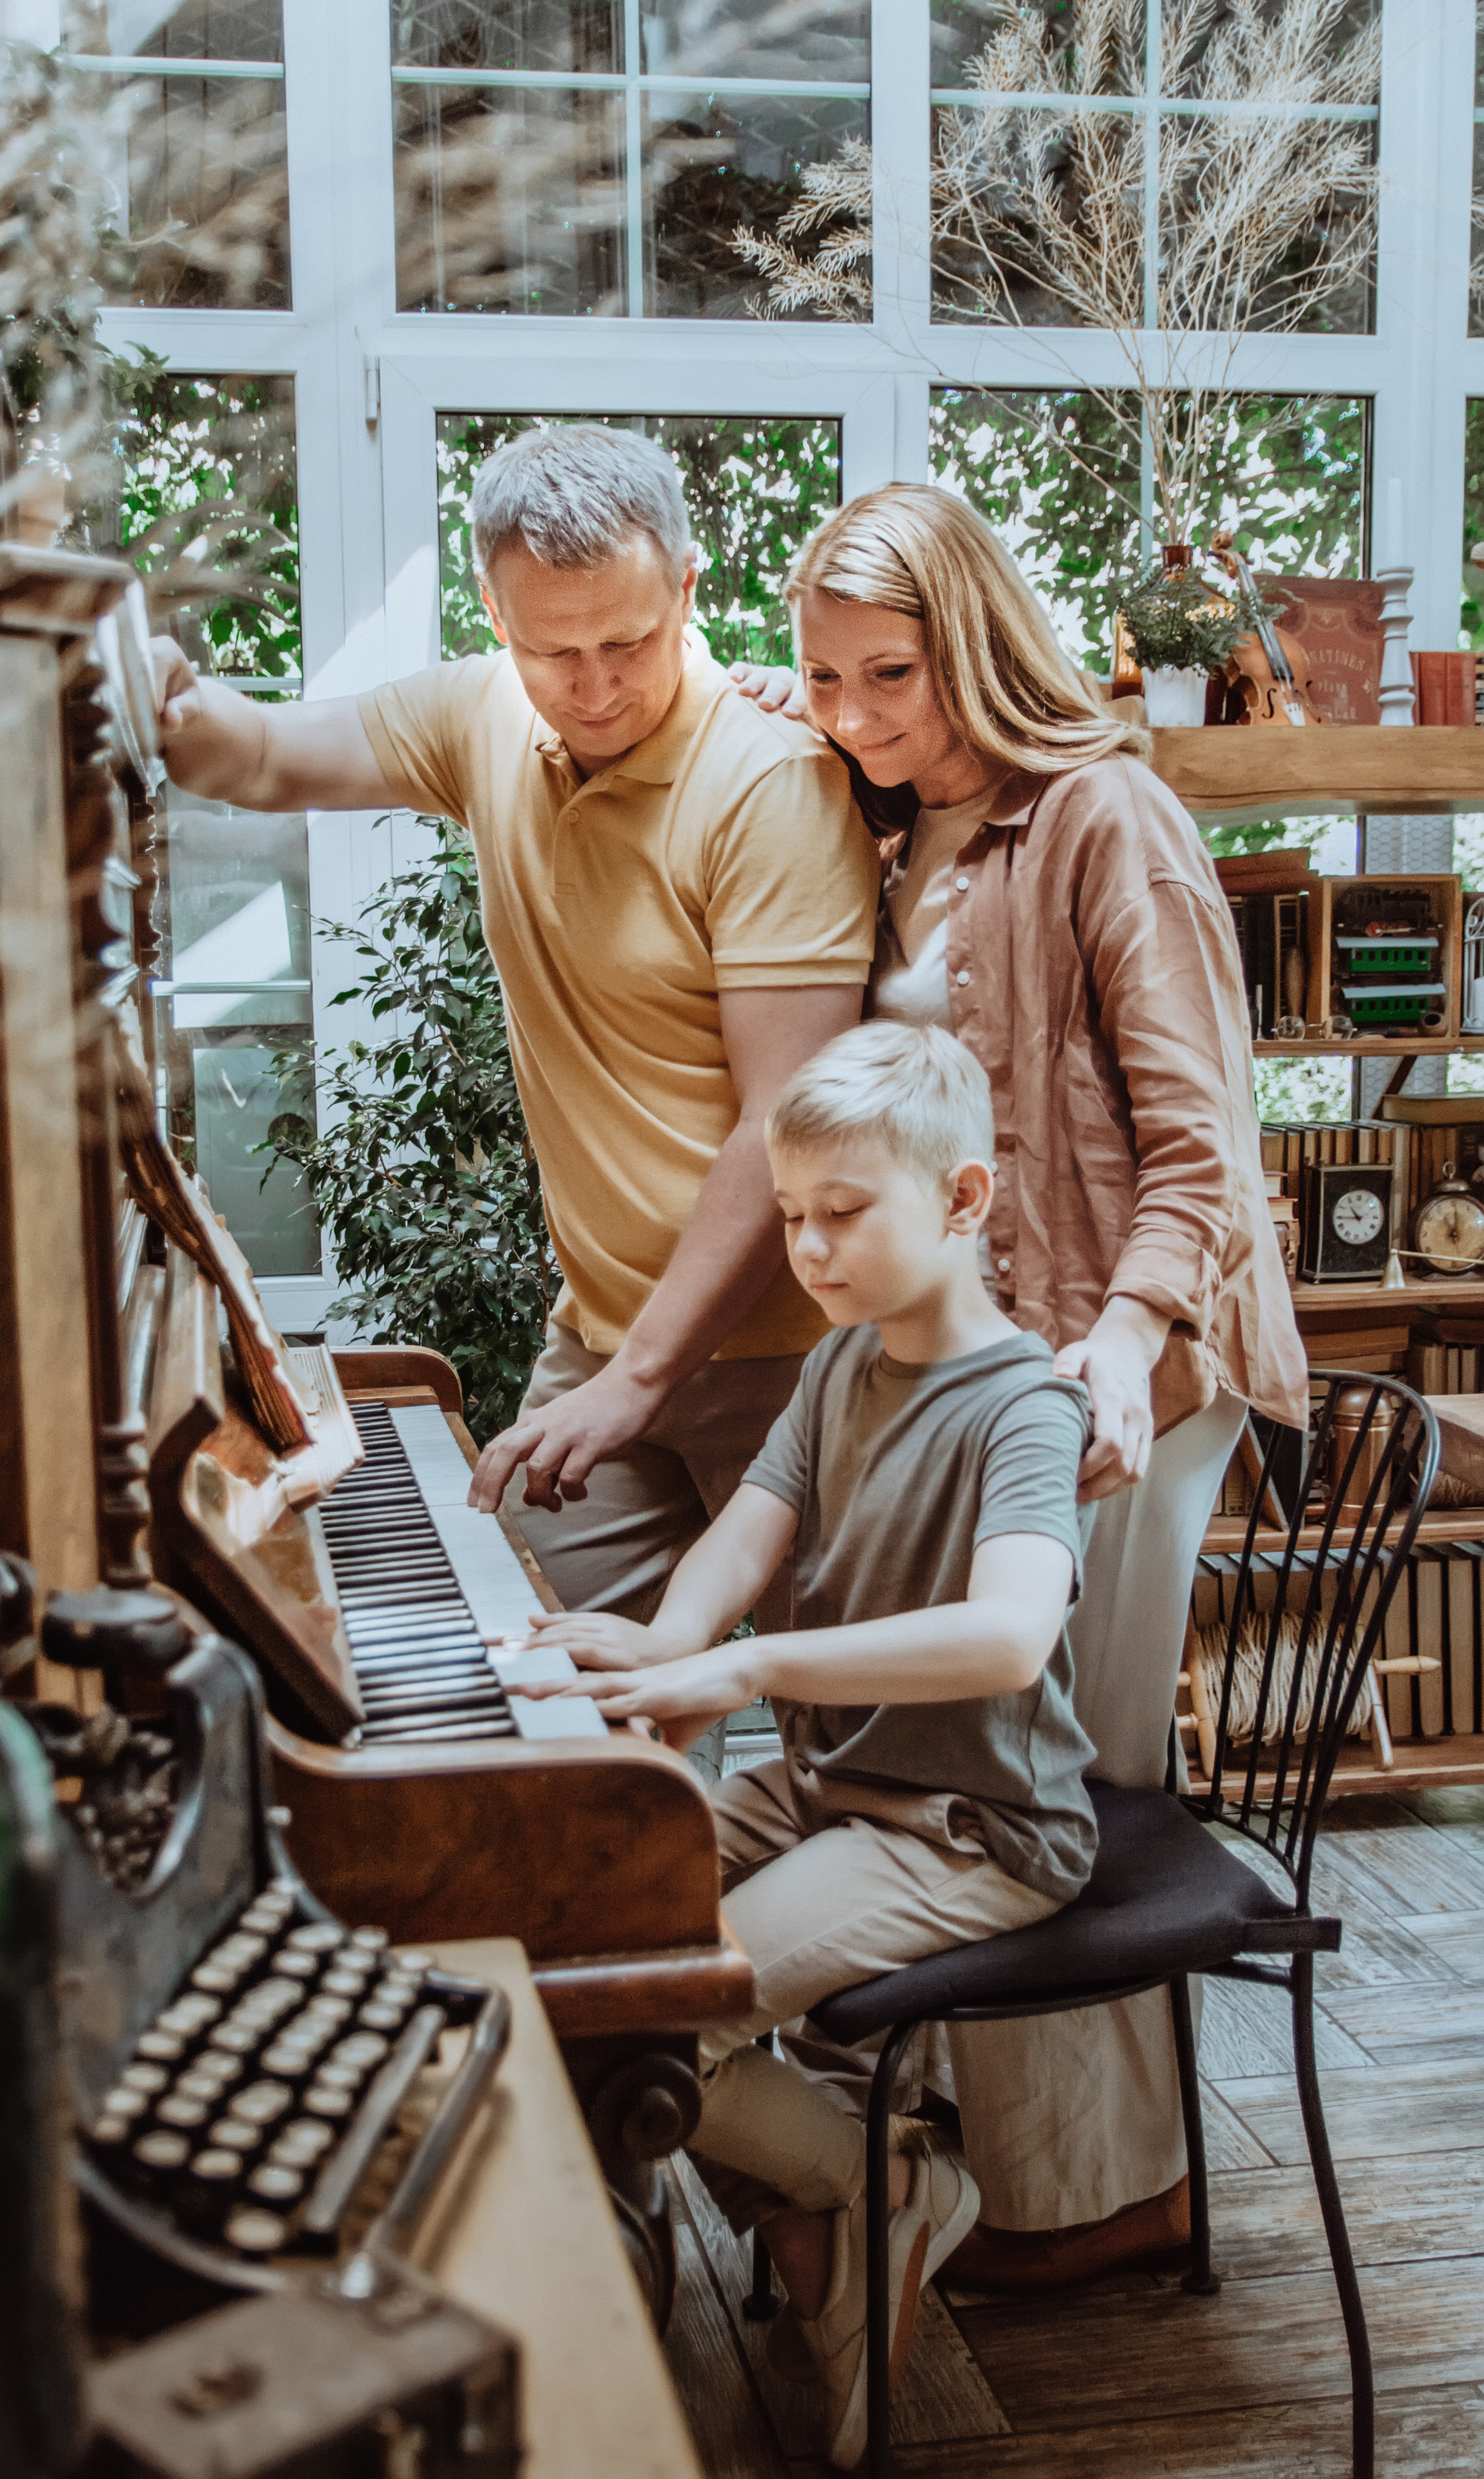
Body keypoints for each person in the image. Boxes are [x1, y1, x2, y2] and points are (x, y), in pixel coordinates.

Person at [727, 482, 1308, 2285]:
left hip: (1122, 1372)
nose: (851, 715)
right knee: (988, 1776)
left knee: (1049, 1787)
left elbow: (1207, 1151)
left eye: (887, 674)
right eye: (824, 679)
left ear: (978, 640)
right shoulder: (907, 821)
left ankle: (1105, 2198)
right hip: (1003, 1390)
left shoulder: (1106, 815)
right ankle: (1020, 2162)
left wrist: (1125, 1344)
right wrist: (799, 700)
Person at [149, 426, 880, 1759]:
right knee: (539, 1717)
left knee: (852, 1750)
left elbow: (786, 1120)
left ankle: (796, 1963)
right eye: (553, 651)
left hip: (792, 1358)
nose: (595, 687)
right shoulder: (483, 715)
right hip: (606, 1339)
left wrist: (640, 1380)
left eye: (629, 642)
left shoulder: (768, 784)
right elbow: (249, 758)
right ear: (493, 616)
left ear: (689, 595)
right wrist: (139, 670)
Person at [515, 1017, 1097, 2469]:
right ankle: (828, 2202)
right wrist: (665, 1640)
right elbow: (748, 1523)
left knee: (666, 2004)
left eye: (843, 1214)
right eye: (788, 1218)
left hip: (966, 1830)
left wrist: (747, 1660)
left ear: (961, 1200)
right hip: (835, 1787)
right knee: (575, 1922)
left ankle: (880, 2189)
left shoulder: (1025, 1403)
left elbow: (1011, 1636)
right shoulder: (842, 1365)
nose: (809, 1249)